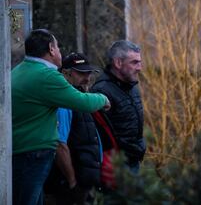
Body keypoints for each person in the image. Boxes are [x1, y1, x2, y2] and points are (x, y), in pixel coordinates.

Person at [12, 29, 110, 205]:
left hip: (21, 150)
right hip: (34, 153)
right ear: (51, 48)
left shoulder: (18, 70)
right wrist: (103, 99)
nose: (59, 51)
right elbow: (82, 102)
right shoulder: (47, 75)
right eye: (58, 47)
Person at [45, 52, 104, 204]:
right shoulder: (64, 102)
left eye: (89, 72)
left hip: (84, 181)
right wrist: (72, 182)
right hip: (68, 186)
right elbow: (60, 145)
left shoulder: (82, 98)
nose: (88, 77)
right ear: (66, 73)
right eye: (82, 73)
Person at [91, 40, 146, 170]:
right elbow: (100, 136)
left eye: (140, 62)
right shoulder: (102, 92)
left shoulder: (131, 87)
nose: (140, 68)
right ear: (118, 63)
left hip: (133, 160)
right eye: (134, 62)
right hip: (116, 166)